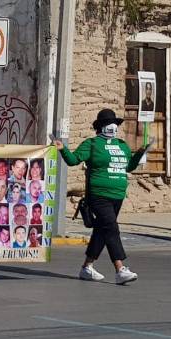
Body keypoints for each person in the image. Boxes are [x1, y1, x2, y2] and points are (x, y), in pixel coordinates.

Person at [56, 108, 148, 285]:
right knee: (111, 227)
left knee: (102, 230)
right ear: (100, 127)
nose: (112, 126)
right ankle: (120, 269)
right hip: (98, 195)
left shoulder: (122, 145)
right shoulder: (92, 144)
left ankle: (87, 267)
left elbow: (128, 167)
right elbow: (73, 160)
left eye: (114, 123)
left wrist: (139, 154)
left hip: (117, 195)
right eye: (108, 123)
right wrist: (62, 149)